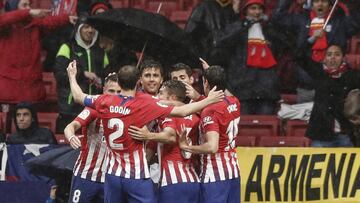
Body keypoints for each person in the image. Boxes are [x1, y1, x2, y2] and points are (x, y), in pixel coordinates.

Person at [66, 61, 224, 203]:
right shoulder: (144, 103)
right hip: (136, 175)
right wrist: (208, 100)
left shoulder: (104, 101)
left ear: (119, 83)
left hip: (112, 174)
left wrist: (72, 77)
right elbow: (183, 111)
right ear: (138, 82)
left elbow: (78, 96)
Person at [129, 80, 201, 203]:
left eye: (161, 93)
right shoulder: (197, 116)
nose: (157, 96)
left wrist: (147, 135)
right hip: (193, 181)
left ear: (172, 98)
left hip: (172, 182)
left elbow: (170, 136)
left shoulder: (167, 114)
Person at [179, 65, 241, 203]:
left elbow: (212, 147)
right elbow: (224, 96)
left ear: (205, 82)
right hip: (233, 172)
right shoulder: (234, 102)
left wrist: (187, 147)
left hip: (214, 175)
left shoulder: (210, 111)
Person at [214, 0, 285, 114]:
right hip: (242, 87)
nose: (257, 12)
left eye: (259, 9)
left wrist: (271, 26)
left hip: (266, 89)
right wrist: (244, 25)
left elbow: (284, 46)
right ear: (245, 10)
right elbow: (222, 42)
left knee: (264, 124)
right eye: (253, 8)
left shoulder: (269, 29)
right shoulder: (236, 26)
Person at [0, 0, 76, 103]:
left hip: (31, 92)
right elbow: (3, 19)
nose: (28, 8)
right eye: (24, 5)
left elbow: (51, 21)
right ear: (15, 8)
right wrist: (28, 13)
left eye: (29, 5)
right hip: (8, 93)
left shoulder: (35, 25)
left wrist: (67, 18)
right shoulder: (6, 27)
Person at [64, 73, 121, 203]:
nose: (115, 95)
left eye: (119, 91)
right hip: (85, 175)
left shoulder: (128, 112)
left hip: (110, 179)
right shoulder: (94, 108)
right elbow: (70, 126)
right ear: (103, 91)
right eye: (111, 91)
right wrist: (71, 136)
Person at [296, 44, 360, 147]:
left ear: (343, 58)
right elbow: (298, 55)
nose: (333, 57)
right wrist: (312, 40)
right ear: (324, 59)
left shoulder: (352, 76)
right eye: (329, 54)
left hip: (346, 135)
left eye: (337, 54)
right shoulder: (319, 73)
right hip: (321, 136)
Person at [54, 15, 109, 133]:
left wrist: (100, 81)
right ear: (78, 29)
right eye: (86, 27)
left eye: (93, 27)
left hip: (94, 108)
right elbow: (59, 75)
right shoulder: (67, 48)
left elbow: (108, 78)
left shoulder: (101, 52)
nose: (90, 30)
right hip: (70, 109)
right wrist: (83, 75)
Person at [186, 0, 240, 68]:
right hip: (208, 59)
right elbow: (189, 35)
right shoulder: (204, 7)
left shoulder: (234, 10)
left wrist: (236, 13)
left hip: (229, 62)